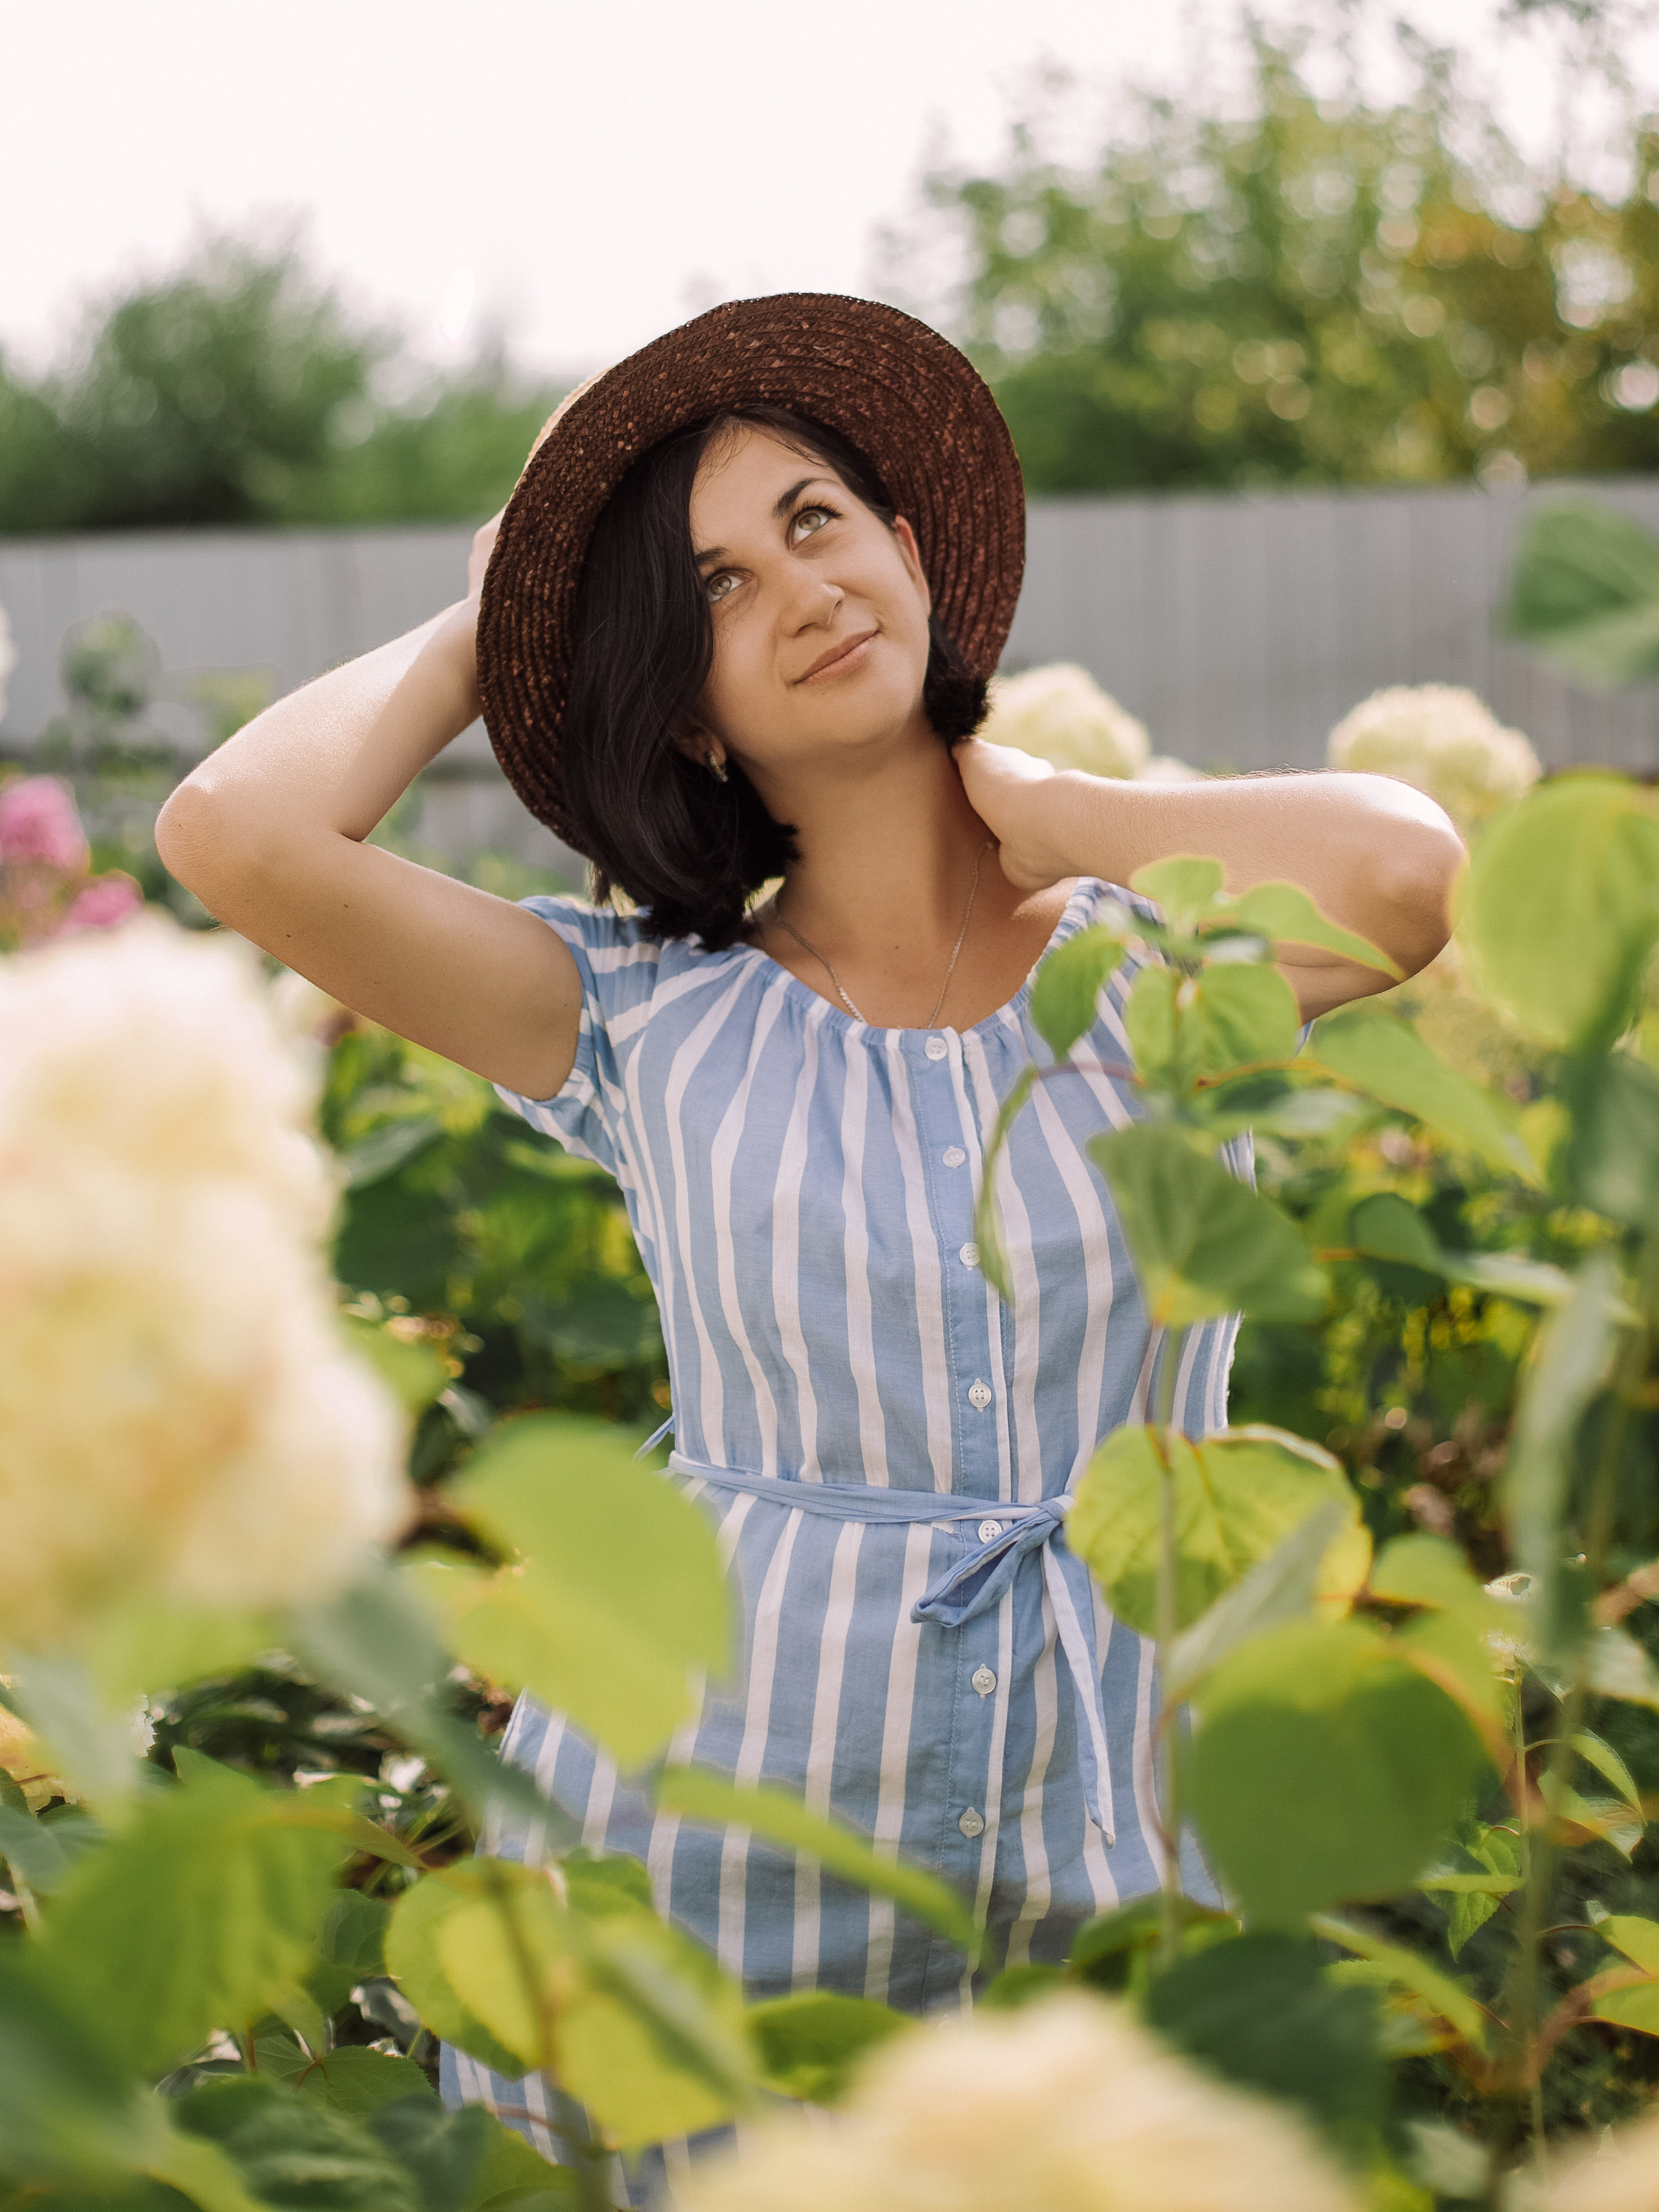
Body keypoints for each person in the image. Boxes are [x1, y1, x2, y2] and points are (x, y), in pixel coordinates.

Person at [157, 294, 1462, 2204]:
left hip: (1123, 1824)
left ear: (911, 552)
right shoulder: (638, 1010)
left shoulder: (1158, 967)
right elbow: (237, 835)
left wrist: (1049, 810)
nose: (800, 592)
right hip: (719, 1850)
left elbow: (1412, 876)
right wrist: (493, 610)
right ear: (687, 705)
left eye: (818, 522)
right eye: (713, 589)